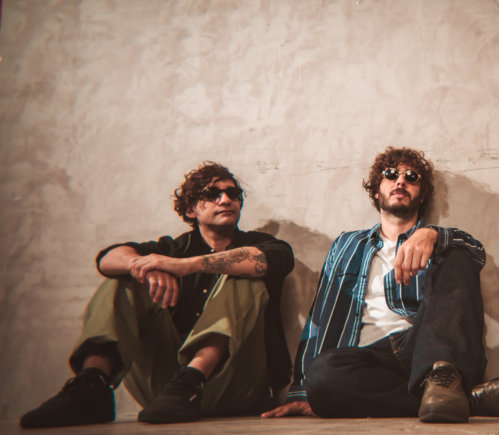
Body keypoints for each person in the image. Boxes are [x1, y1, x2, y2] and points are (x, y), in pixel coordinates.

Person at [20, 162, 295, 427]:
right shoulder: (172, 248)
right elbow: (106, 259)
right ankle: (92, 386)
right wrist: (146, 268)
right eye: (213, 194)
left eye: (233, 193)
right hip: (166, 395)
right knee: (124, 280)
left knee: (242, 273)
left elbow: (265, 260)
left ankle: (192, 378)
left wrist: (184, 266)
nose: (225, 200)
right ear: (190, 209)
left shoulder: (262, 244)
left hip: (237, 386)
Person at [262, 147, 499, 423]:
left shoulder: (438, 242)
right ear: (376, 190)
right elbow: (320, 315)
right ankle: (461, 400)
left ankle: (442, 380)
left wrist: (432, 235)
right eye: (391, 174)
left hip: (423, 348)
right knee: (322, 372)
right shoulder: (347, 244)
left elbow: (475, 252)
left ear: (422, 194)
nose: (401, 181)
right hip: (369, 362)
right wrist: (304, 391)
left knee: (457, 254)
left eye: (412, 176)